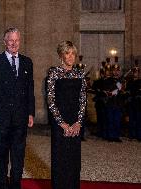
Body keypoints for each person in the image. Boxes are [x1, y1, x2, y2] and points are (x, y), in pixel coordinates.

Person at [0, 27, 35, 189]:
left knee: (18, 154)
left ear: (20, 41)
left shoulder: (27, 62)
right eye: (11, 40)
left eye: (17, 40)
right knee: (1, 154)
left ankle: (15, 184)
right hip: (0, 117)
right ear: (5, 42)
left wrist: (31, 113)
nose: (14, 43)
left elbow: (30, 90)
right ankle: (1, 185)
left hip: (20, 117)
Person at [46, 41, 86, 189]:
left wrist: (79, 122)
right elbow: (50, 101)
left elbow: (83, 100)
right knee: (60, 158)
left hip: (75, 123)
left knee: (74, 159)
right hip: (59, 123)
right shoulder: (53, 73)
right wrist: (61, 123)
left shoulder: (79, 74)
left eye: (73, 53)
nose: (70, 57)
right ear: (61, 55)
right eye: (67, 53)